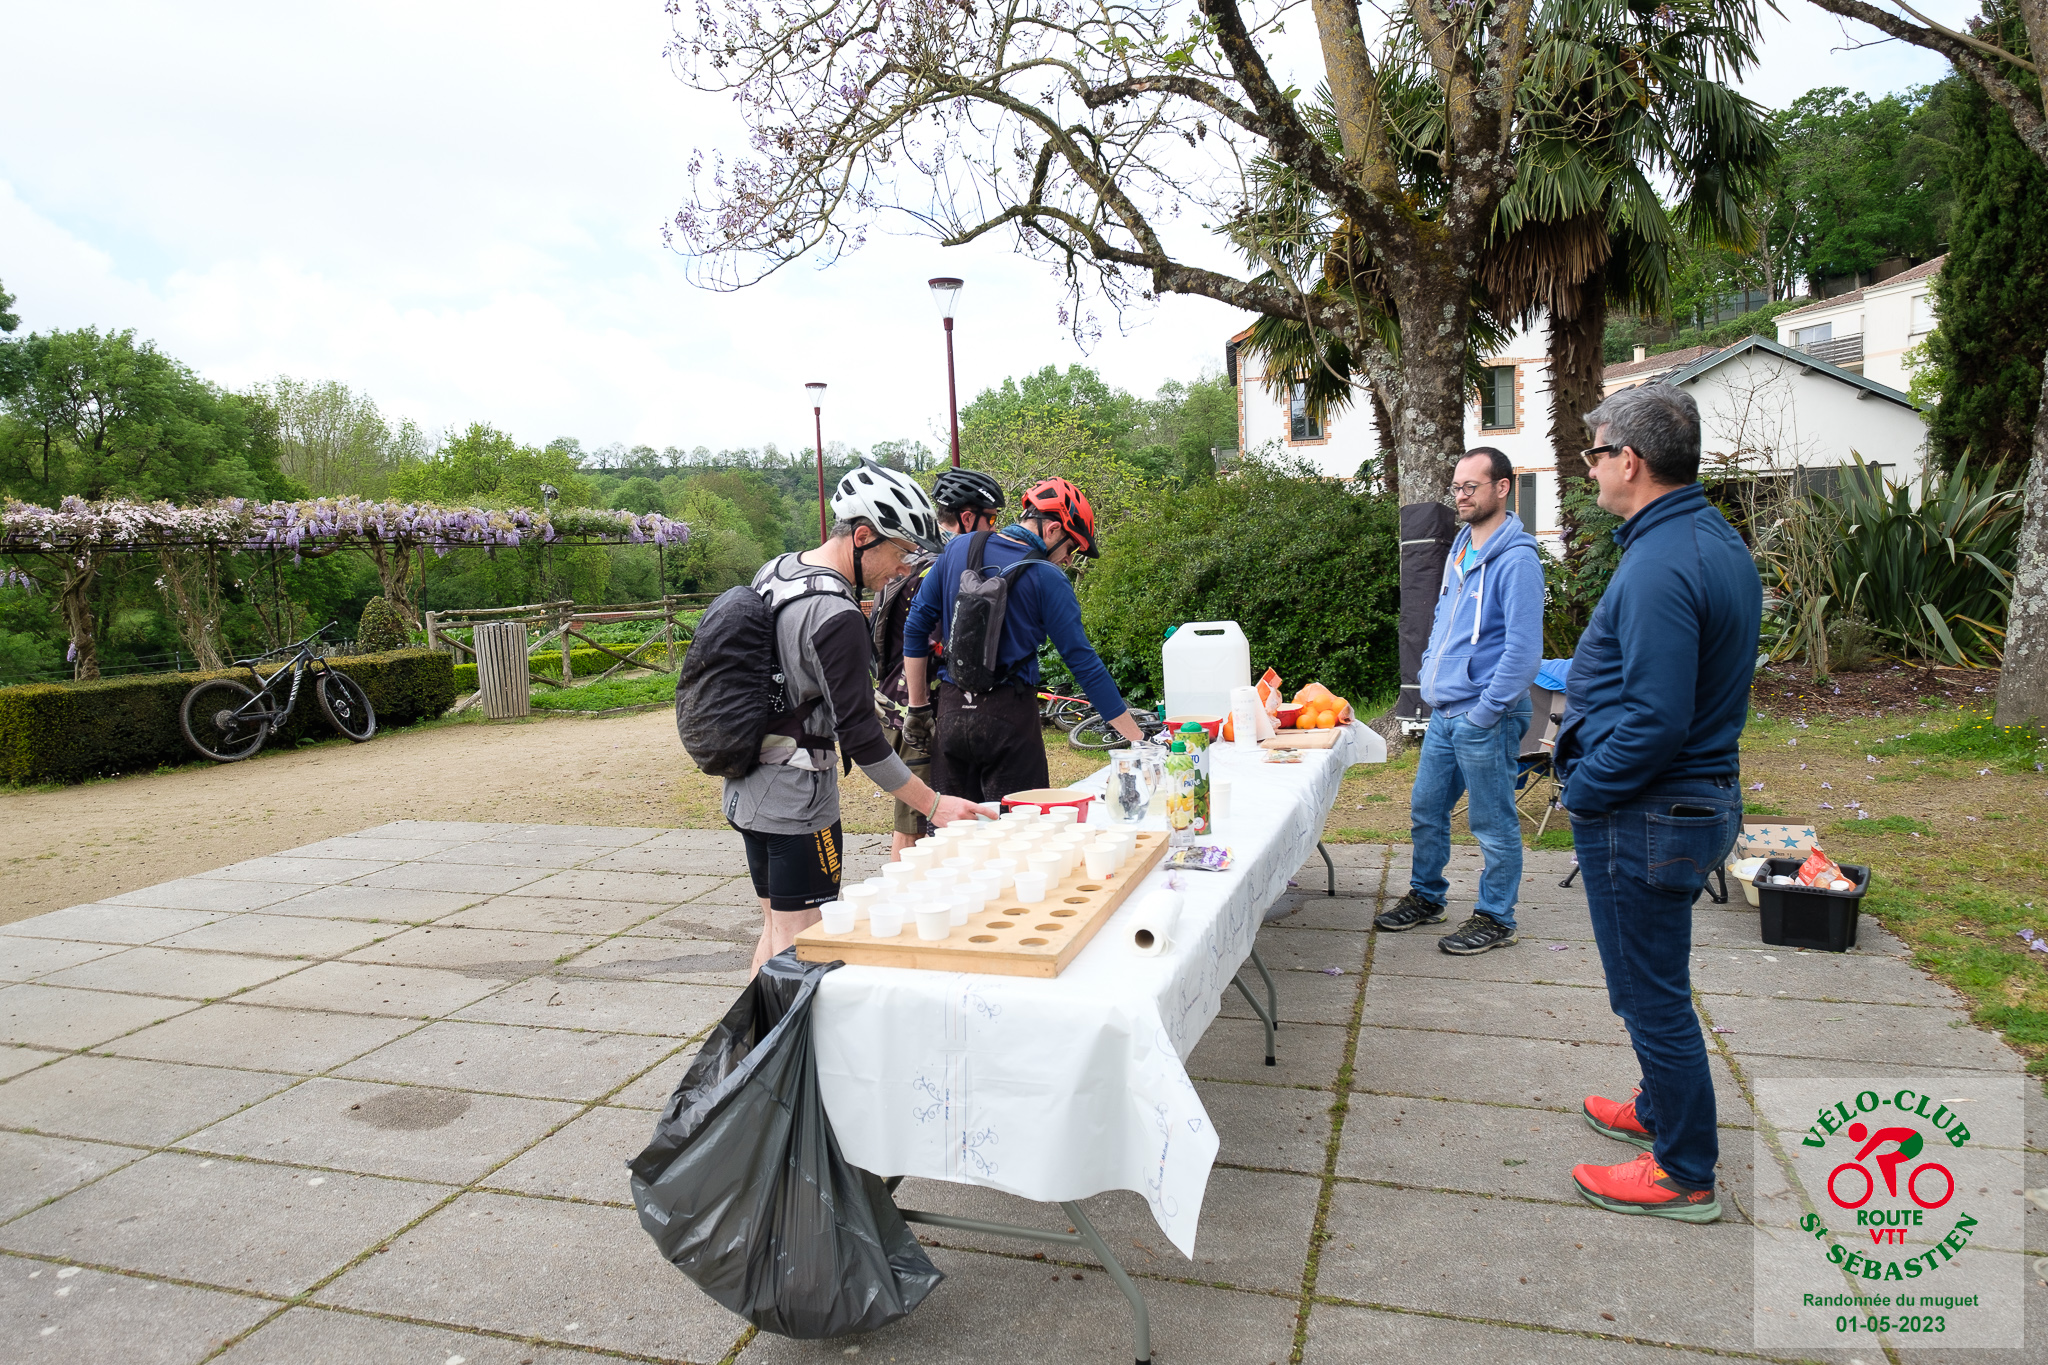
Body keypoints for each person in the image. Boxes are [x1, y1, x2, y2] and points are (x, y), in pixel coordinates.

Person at [1555, 382, 1761, 1223]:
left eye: (1596, 452)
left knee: (1649, 994)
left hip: (1648, 809)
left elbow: (1656, 718)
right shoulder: (1708, 537)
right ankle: (1658, 1105)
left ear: (1630, 461)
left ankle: (1683, 1170)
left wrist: (1585, 789)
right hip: (1689, 800)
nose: (1590, 467)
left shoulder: (1660, 562)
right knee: (1655, 982)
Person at [726, 458, 992, 974]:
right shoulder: (837, 613)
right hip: (797, 801)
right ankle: (778, 1031)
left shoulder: (777, 571)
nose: (905, 568)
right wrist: (933, 804)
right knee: (802, 950)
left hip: (748, 783)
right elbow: (862, 738)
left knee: (775, 932)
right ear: (864, 536)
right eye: (901, 551)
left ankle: (751, 1027)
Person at [1375, 447, 1545, 955]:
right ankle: (1427, 897)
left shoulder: (1518, 561)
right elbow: (1443, 624)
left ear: (1502, 487)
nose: (1461, 496)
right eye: (1456, 487)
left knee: (1491, 823)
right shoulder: (1460, 549)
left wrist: (1486, 710)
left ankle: (1496, 917)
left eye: (1472, 486)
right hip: (1445, 712)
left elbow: (1523, 652)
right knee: (1427, 810)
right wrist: (1431, 674)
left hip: (1485, 716)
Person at [900, 476, 1143, 804]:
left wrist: (917, 708)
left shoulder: (957, 547)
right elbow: (1083, 663)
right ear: (1053, 529)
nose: (1069, 560)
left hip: (952, 713)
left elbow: (915, 627)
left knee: (955, 830)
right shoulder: (1048, 577)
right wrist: (1138, 740)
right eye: (1071, 547)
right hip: (1009, 719)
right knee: (1023, 829)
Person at [872, 467, 1006, 859]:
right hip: (914, 712)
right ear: (968, 517)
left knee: (921, 821)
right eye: (991, 519)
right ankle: (902, 894)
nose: (994, 529)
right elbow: (945, 645)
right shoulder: (939, 567)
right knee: (914, 827)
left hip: (893, 701)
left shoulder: (912, 559)